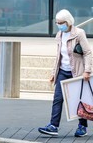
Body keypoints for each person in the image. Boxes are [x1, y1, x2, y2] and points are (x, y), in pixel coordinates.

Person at [38, 9, 92, 137]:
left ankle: (82, 126)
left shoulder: (79, 33)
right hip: (63, 71)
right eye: (57, 22)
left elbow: (87, 52)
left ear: (68, 22)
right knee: (57, 99)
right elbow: (58, 56)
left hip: (77, 72)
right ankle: (53, 126)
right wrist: (54, 73)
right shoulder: (59, 35)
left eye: (61, 22)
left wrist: (87, 70)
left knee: (79, 99)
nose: (59, 25)